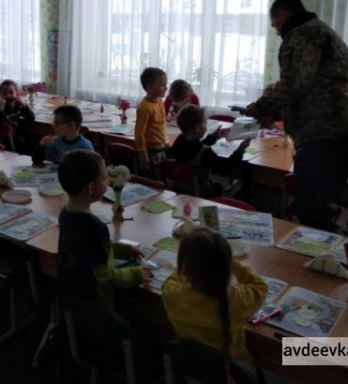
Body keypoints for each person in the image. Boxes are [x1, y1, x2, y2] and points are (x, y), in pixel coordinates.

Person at [245, 0, 348, 230]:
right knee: (324, 208)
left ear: (284, 14)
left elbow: (295, 82)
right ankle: (323, 261)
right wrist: (277, 111)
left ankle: (315, 262)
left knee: (312, 212)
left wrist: (262, 105)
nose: (274, 28)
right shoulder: (324, 32)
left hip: (321, 134)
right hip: (341, 130)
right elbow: (315, 87)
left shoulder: (301, 34)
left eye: (274, 20)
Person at [162, 226, 266, 375]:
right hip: (237, 377)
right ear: (227, 268)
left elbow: (171, 279)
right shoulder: (237, 300)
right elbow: (260, 285)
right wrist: (228, 261)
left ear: (185, 268)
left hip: (196, 377)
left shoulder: (173, 295)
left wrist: (187, 266)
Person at [57, 150, 152, 312]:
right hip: (95, 305)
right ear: (91, 188)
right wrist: (137, 274)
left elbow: (91, 248)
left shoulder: (66, 212)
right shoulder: (94, 226)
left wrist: (125, 249)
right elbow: (105, 277)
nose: (107, 182)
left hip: (72, 292)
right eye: (104, 178)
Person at [168, 106, 250, 196]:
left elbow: (195, 148)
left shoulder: (180, 140)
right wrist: (241, 149)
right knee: (218, 187)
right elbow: (227, 166)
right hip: (199, 193)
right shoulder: (205, 152)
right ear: (197, 127)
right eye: (205, 123)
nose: (206, 126)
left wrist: (214, 137)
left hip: (178, 189)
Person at [135, 67, 168, 178]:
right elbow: (139, 133)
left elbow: (160, 121)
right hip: (150, 151)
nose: (166, 88)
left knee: (161, 179)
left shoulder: (159, 100)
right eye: (162, 85)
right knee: (152, 181)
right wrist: (143, 155)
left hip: (161, 148)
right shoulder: (145, 107)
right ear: (149, 87)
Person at [0, 79, 35, 154]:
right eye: (4, 93)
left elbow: (31, 118)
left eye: (11, 92)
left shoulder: (18, 106)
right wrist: (1, 110)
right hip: (12, 142)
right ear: (0, 95)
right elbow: (0, 126)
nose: (8, 95)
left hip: (24, 138)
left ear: (16, 93)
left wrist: (25, 106)